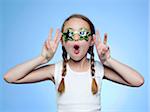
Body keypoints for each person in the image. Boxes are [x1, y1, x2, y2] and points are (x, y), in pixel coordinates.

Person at [3, 14, 144, 112]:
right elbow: (10, 77)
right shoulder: (55, 70)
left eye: (82, 34)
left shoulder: (100, 69)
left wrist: (109, 61)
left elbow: (137, 81)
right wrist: (42, 59)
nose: (76, 40)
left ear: (91, 41)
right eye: (70, 35)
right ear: (63, 42)